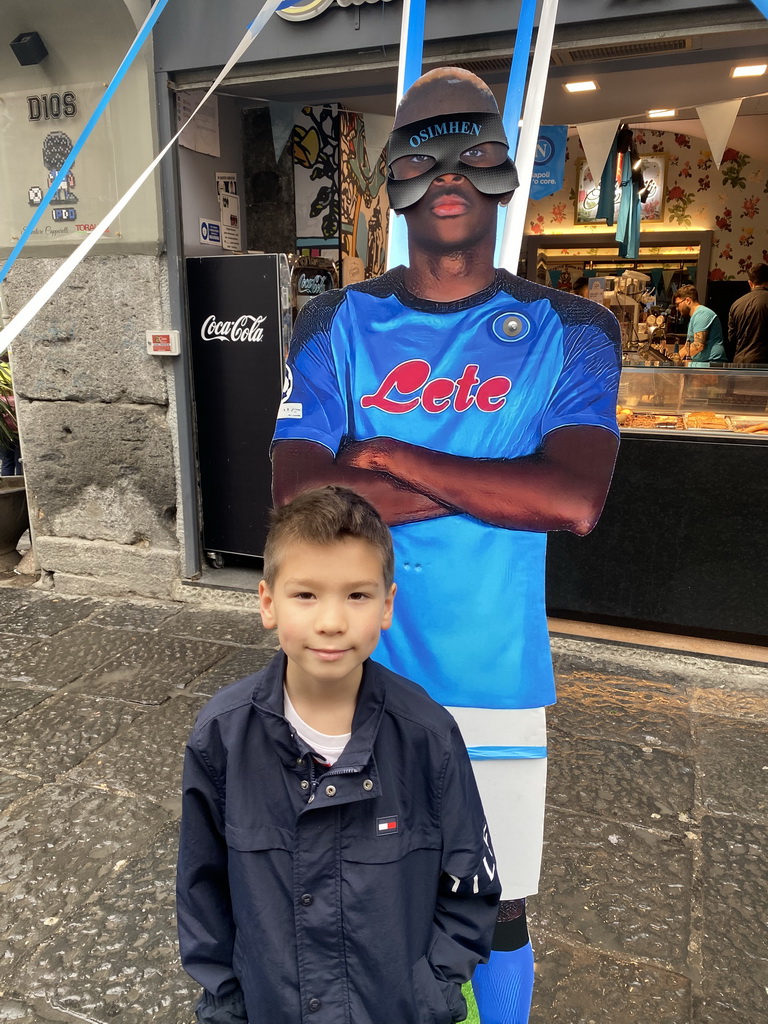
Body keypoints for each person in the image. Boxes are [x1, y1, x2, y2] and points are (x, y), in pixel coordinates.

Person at [271, 67, 621, 1024]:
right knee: (356, 896)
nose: (451, 170)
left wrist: (378, 452)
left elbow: (570, 499)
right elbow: (299, 493)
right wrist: (487, 483)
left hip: (493, 673)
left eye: (475, 145)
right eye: (424, 148)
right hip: (349, 670)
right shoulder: (336, 319)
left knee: (496, 910)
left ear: (508, 168)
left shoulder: (576, 329)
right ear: (391, 178)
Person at [177, 485, 501, 1024]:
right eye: (306, 595)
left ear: (387, 605)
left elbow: (470, 881)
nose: (331, 621)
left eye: (357, 595)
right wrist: (227, 1005)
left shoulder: (428, 737)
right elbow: (201, 888)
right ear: (267, 603)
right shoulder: (221, 738)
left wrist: (434, 993)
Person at [675, 284, 727, 365]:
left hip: (710, 363)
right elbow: (687, 347)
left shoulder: (701, 314)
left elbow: (698, 345)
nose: (677, 308)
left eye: (678, 304)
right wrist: (673, 357)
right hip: (703, 363)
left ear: (688, 300)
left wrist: (675, 358)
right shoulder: (695, 316)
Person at [728, 263, 768, 365]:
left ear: (750, 283)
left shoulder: (736, 304)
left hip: (740, 362)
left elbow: (731, 338)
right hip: (764, 363)